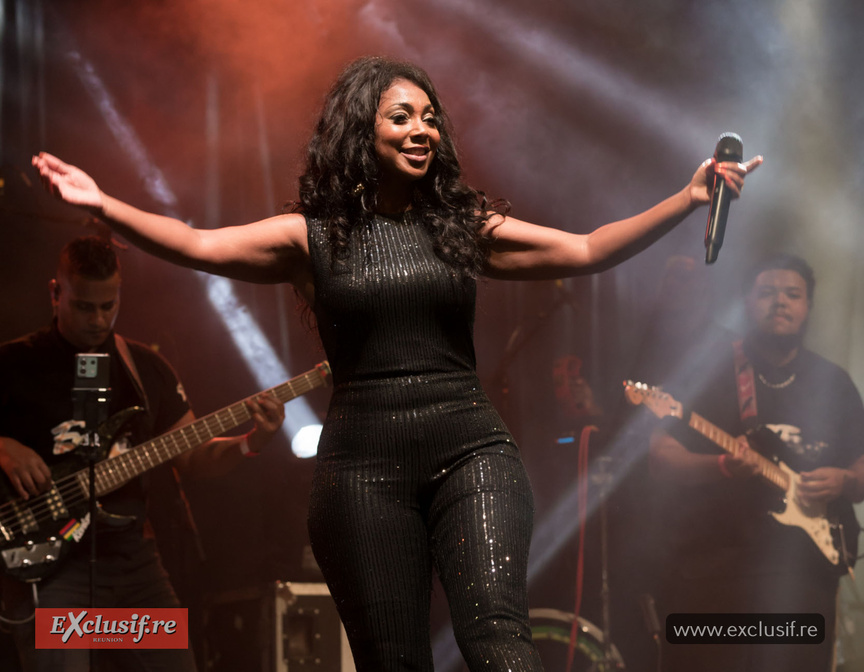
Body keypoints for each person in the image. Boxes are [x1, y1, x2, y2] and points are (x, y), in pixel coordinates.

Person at [30, 56, 761, 671]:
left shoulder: (461, 227)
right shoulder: (308, 238)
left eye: (431, 117)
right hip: (362, 473)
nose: (424, 130)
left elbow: (586, 247)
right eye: (403, 116)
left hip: (470, 449)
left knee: (499, 644)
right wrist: (104, 204)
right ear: (362, 130)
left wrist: (686, 197)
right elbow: (199, 245)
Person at [0, 235, 286, 672]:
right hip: (52, 568)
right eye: (83, 306)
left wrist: (251, 441)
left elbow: (194, 457)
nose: (98, 319)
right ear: (55, 292)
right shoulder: (14, 362)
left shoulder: (145, 368)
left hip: (133, 567)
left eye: (108, 305)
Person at [649, 253, 864, 672]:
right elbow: (660, 456)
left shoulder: (833, 382)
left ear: (808, 307)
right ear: (746, 302)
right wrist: (722, 466)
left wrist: (845, 481)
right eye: (766, 293)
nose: (779, 302)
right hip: (713, 572)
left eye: (792, 294)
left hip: (802, 577)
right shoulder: (709, 372)